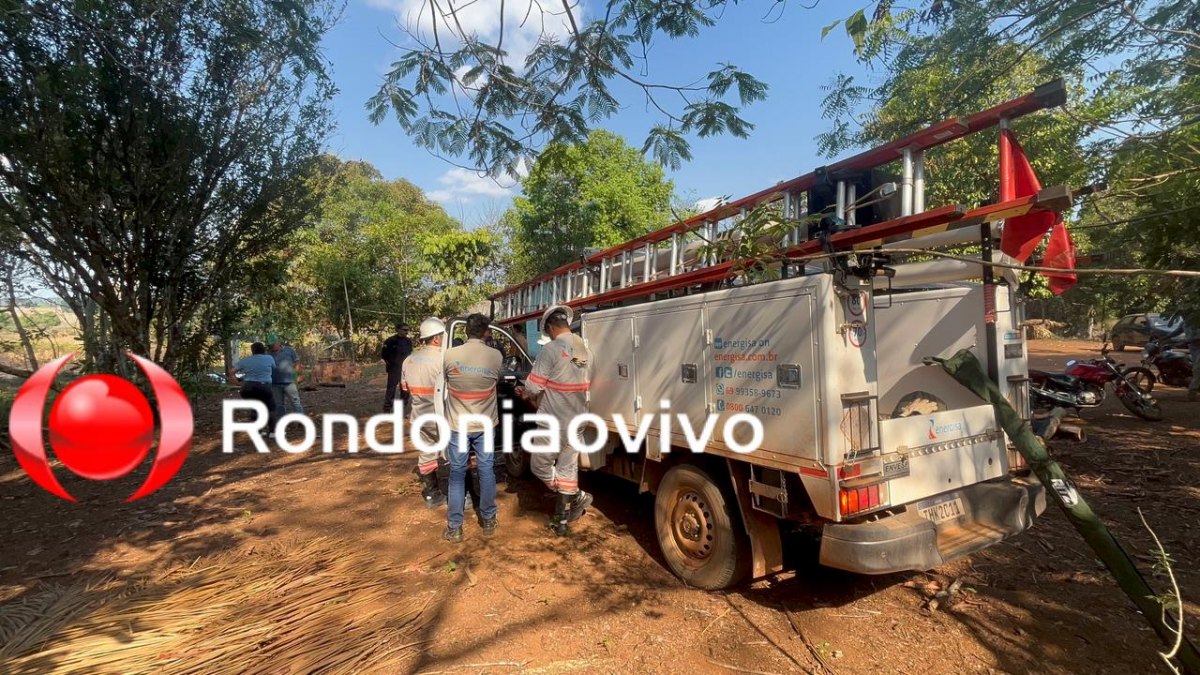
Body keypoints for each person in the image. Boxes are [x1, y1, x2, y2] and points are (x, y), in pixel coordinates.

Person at [516, 304, 594, 536]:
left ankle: (576, 495)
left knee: (539, 466)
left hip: (554, 420)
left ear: (551, 328)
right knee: (567, 468)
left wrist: (526, 392)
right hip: (578, 418)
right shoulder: (586, 350)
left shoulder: (550, 350)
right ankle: (561, 522)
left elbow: (533, 386)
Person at [442, 313, 501, 542]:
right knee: (486, 469)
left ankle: (455, 527)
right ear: (486, 332)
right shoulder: (495, 356)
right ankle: (488, 520)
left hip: (458, 425)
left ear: (466, 331)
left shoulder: (450, 355)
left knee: (457, 473)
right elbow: (497, 379)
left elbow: (445, 382)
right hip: (485, 424)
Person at [401, 317, 449, 509]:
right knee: (457, 452)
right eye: (443, 336)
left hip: (419, 416)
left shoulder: (408, 360)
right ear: (436, 338)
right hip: (441, 416)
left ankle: (432, 494)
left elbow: (405, 388)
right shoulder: (444, 359)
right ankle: (464, 496)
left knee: (427, 452)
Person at [229, 341, 278, 436]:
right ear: (263, 350)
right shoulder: (269, 358)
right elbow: (274, 368)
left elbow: (232, 372)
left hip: (248, 388)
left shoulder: (245, 360)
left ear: (252, 351)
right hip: (264, 386)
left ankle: (258, 431)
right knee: (270, 408)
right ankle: (272, 432)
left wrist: (238, 383)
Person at [1165, 307, 1200, 401]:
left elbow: (1195, 336)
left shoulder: (1197, 322)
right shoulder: (1184, 323)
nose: (1183, 316)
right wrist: (1165, 337)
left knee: (1197, 369)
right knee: (1193, 367)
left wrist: (1184, 342)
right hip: (1193, 348)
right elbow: (1176, 332)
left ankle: (1192, 392)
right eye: (1182, 314)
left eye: (1185, 314)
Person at [268, 335, 305, 419]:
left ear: (278, 343)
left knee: (295, 402)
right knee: (279, 404)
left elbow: (297, 363)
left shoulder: (289, 350)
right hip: (275, 383)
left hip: (289, 381)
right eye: (270, 345)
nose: (272, 347)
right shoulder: (268, 354)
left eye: (273, 344)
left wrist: (300, 375)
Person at [381, 323, 414, 412]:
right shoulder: (390, 341)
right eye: (404, 330)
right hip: (394, 369)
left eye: (408, 330)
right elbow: (384, 355)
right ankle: (387, 407)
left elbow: (410, 354)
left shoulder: (408, 341)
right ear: (398, 330)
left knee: (405, 388)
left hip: (405, 369)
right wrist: (390, 364)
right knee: (391, 389)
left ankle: (403, 405)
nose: (407, 332)